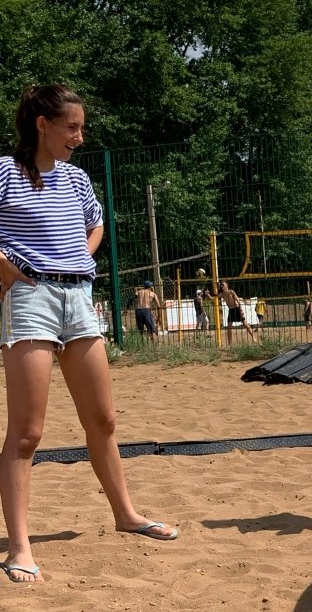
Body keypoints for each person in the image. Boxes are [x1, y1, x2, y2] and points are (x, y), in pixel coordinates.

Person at [0, 84, 178, 583]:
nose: (80, 137)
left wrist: (78, 254)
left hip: (79, 297)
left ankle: (126, 514)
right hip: (30, 298)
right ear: (43, 125)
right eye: (72, 127)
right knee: (28, 433)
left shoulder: (76, 179)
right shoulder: (5, 172)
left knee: (103, 419)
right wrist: (7, 268)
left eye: (81, 127)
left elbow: (95, 225)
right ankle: (19, 546)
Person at [217, 280, 255, 345]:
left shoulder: (231, 292)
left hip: (237, 309)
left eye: (223, 285)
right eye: (221, 285)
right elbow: (213, 298)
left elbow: (238, 300)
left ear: (227, 285)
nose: (221, 286)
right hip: (231, 310)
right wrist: (208, 294)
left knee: (245, 324)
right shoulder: (222, 294)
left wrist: (241, 310)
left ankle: (254, 337)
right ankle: (230, 344)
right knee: (229, 327)